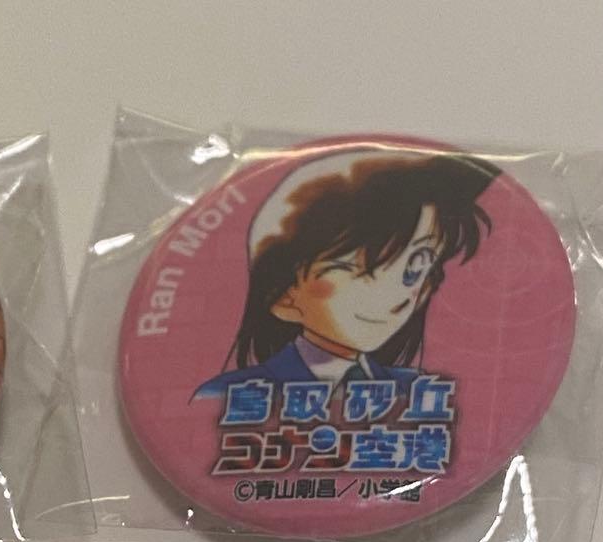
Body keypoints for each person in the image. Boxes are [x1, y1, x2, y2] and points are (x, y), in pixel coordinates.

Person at [193, 148, 498, 403]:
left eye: (417, 265)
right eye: (351, 269)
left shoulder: (420, 394)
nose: (393, 294)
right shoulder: (226, 397)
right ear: (285, 297)